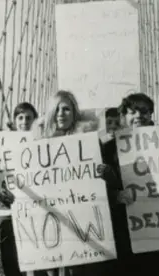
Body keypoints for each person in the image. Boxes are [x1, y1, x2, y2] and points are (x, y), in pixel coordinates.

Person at [24, 90, 114, 276]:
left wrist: (105, 173)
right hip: (48, 223)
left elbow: (107, 182)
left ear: (74, 113)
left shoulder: (91, 145)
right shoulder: (36, 147)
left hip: (82, 223)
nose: (60, 114)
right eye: (56, 109)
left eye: (66, 109)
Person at [108, 93, 159, 276]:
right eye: (133, 112)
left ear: (151, 115)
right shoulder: (109, 148)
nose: (139, 116)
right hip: (125, 231)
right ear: (123, 117)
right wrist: (115, 196)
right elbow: (99, 188)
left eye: (144, 111)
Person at [0, 102, 38, 276]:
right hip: (12, 210)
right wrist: (2, 193)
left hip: (37, 210)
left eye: (29, 118)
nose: (25, 121)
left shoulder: (45, 144)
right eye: (20, 117)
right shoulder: (4, 147)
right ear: (14, 121)